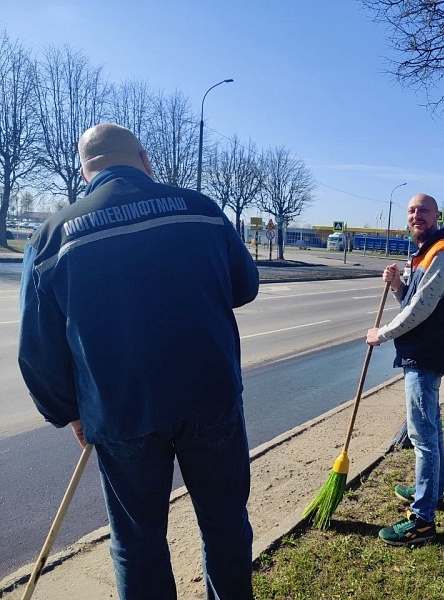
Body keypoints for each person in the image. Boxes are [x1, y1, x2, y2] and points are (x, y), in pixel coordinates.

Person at [18, 123, 259, 599]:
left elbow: (38, 352)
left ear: (85, 170)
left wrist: (68, 411)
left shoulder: (51, 237)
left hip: (122, 411)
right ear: (143, 160)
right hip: (210, 398)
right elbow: (244, 285)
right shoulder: (202, 210)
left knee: (137, 542)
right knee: (226, 523)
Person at [366, 193, 444, 546]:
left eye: (423, 210)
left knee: (422, 437)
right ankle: (431, 491)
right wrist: (397, 286)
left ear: (437, 215)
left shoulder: (442, 253)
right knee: (431, 431)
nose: (416, 215)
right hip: (422, 351)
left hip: (427, 353)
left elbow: (420, 310)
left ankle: (423, 520)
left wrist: (383, 334)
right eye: (412, 210)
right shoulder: (426, 253)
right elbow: (412, 298)